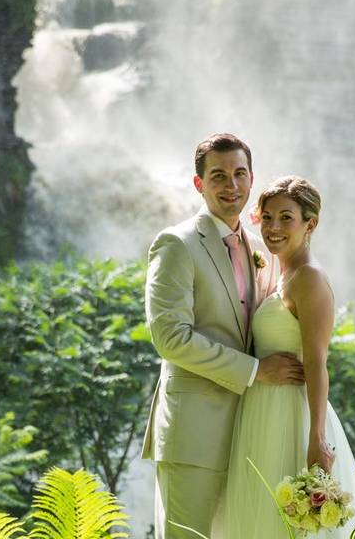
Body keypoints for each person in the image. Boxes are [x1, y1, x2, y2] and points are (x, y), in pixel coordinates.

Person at [141, 134, 306, 539]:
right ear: (199, 184)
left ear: (252, 181)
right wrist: (254, 372)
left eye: (239, 174)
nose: (231, 186)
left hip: (250, 433)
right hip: (192, 434)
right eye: (218, 176)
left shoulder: (260, 247)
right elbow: (170, 338)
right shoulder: (176, 245)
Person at [222, 176, 355, 539]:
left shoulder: (309, 279)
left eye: (286, 218)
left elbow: (316, 362)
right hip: (260, 410)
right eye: (267, 217)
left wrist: (316, 438)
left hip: (291, 417)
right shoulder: (282, 272)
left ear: (311, 223)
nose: (274, 227)